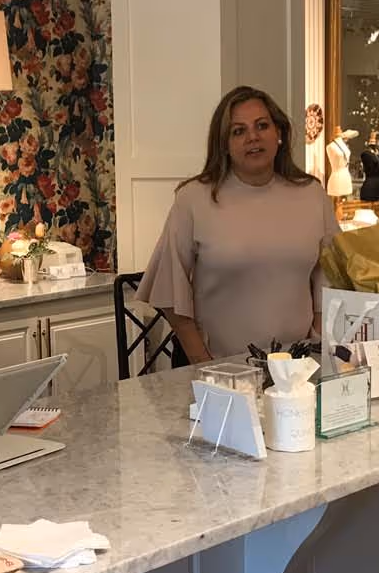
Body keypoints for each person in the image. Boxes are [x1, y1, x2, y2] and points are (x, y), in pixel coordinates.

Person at [137, 85, 338, 365]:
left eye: (262, 125)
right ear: (224, 145)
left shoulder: (312, 194)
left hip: (297, 366)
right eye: (238, 131)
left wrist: (315, 339)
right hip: (217, 365)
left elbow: (330, 277)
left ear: (279, 133)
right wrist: (202, 361)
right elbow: (170, 291)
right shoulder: (193, 199)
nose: (253, 137)